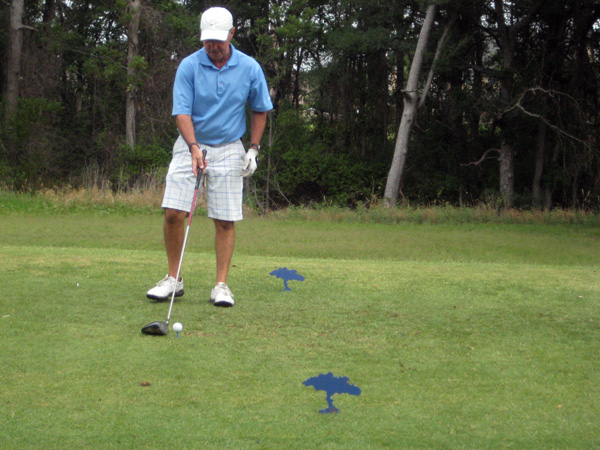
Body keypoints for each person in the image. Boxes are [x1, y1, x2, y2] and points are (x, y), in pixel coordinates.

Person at [147, 6, 273, 307]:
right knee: (174, 212)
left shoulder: (249, 67)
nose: (213, 46)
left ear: (232, 34)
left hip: (230, 146)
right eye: (208, 40)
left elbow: (260, 109)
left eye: (218, 39)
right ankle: (173, 279)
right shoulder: (189, 66)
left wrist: (254, 149)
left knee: (225, 219)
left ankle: (221, 285)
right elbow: (182, 112)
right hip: (190, 143)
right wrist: (193, 147)